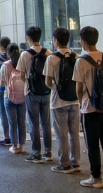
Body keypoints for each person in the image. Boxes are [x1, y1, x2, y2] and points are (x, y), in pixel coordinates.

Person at [75, 26, 103, 188]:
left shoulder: (81, 61)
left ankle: (96, 177)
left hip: (89, 108)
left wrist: (81, 102)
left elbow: (79, 88)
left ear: (83, 41)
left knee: (92, 144)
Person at [44, 27, 81, 174]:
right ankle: (76, 163)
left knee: (61, 134)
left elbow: (47, 82)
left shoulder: (52, 58)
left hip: (58, 102)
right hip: (75, 101)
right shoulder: (76, 56)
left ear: (56, 41)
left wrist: (57, 89)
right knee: (74, 134)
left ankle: (64, 164)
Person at [18, 26, 52, 164]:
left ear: (29, 38)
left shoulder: (25, 54)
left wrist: (29, 83)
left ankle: (36, 153)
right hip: (46, 91)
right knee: (46, 123)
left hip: (31, 92)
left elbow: (21, 75)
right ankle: (48, 152)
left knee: (33, 123)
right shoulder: (48, 52)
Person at [0, 43, 27, 154]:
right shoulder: (24, 64)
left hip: (9, 97)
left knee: (12, 123)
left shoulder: (5, 66)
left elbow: (2, 84)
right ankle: (21, 146)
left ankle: (14, 146)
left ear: (8, 53)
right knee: (22, 123)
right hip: (23, 97)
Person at [0, 36, 12, 146]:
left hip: (3, 86)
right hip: (15, 87)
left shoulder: (0, 57)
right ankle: (16, 137)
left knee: (3, 112)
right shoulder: (15, 56)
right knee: (14, 112)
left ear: (2, 47)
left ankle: (7, 137)